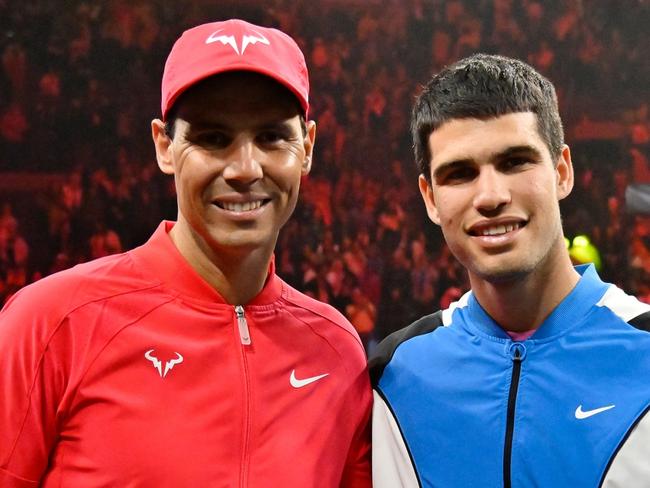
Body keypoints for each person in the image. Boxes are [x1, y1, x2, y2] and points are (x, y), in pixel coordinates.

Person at [0, 19, 371, 487]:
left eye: (272, 137)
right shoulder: (52, 324)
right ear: (164, 146)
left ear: (308, 148)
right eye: (213, 138)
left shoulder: (336, 353)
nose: (244, 168)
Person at [370, 54, 650, 487]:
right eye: (460, 173)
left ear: (561, 171)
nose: (491, 195)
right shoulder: (396, 373)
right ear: (429, 197)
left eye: (515, 162)